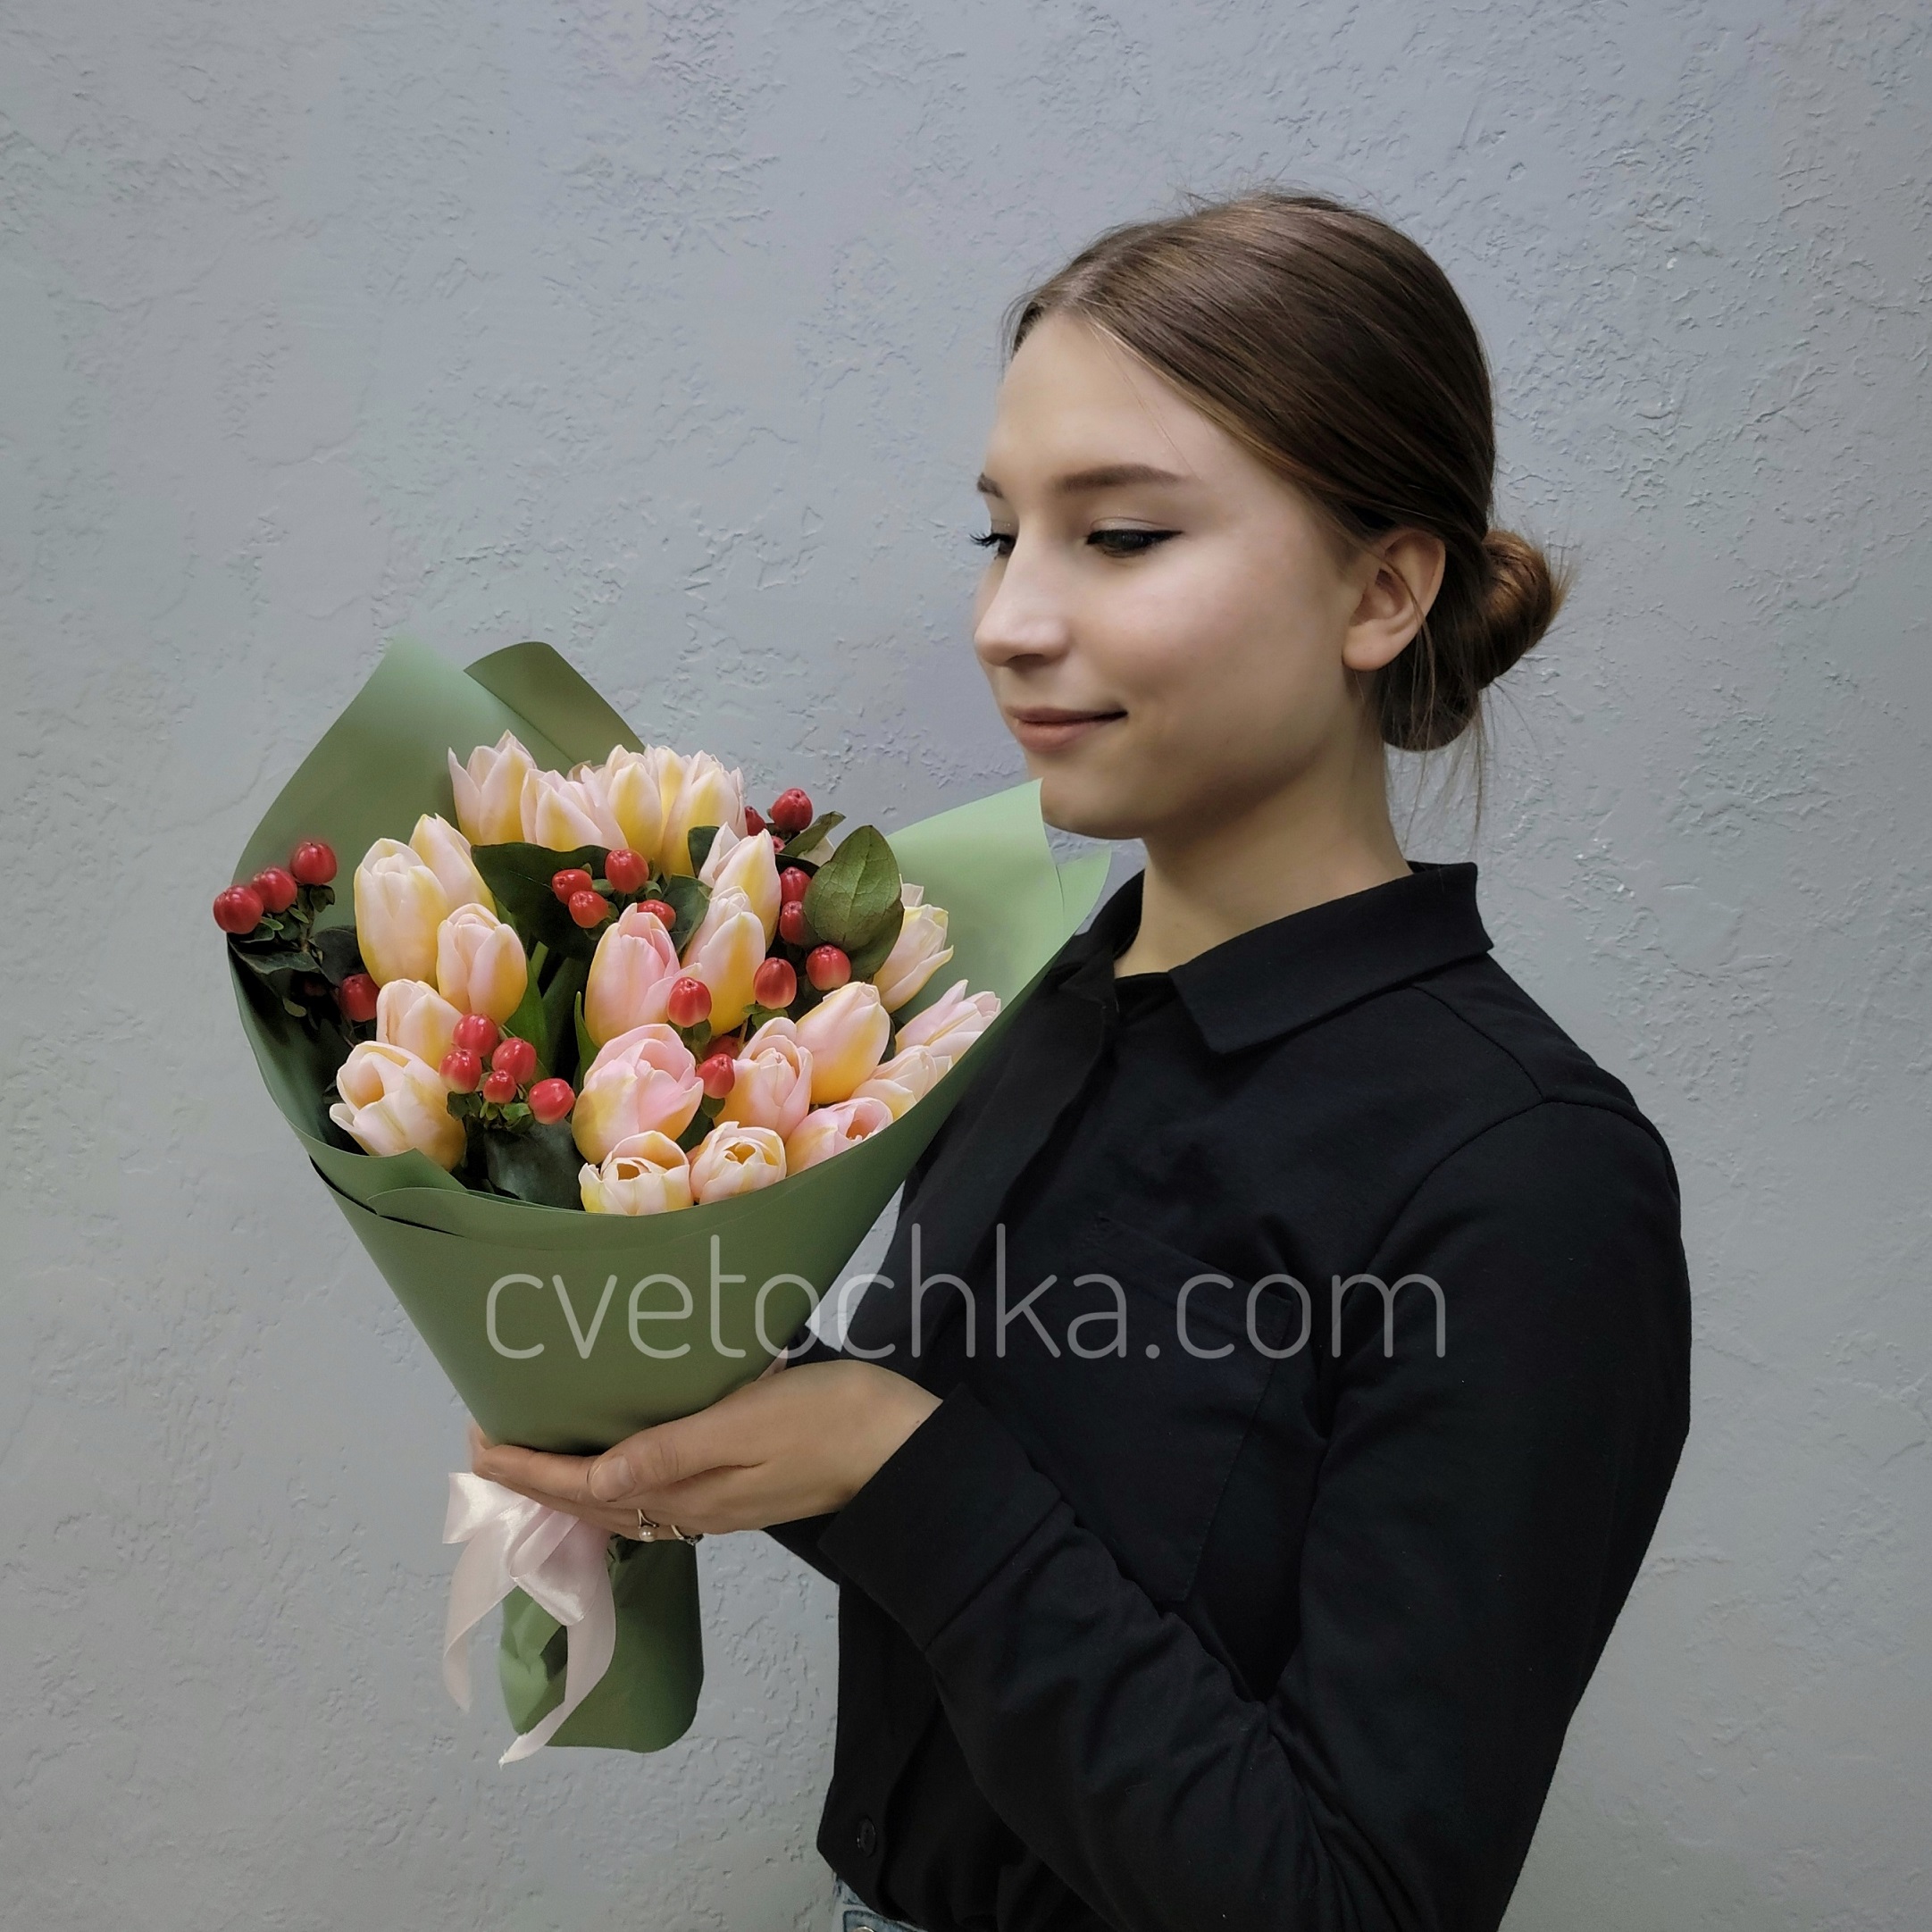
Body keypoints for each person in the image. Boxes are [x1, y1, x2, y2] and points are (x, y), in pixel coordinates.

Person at [472, 189, 1693, 1932]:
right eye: (999, 536)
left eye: (1117, 534)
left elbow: (1356, 1903)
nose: (1007, 620)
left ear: (1382, 589)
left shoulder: (1525, 1175)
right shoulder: (1028, 1009)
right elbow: (970, 1482)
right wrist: (646, 1390)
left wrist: (895, 1465)